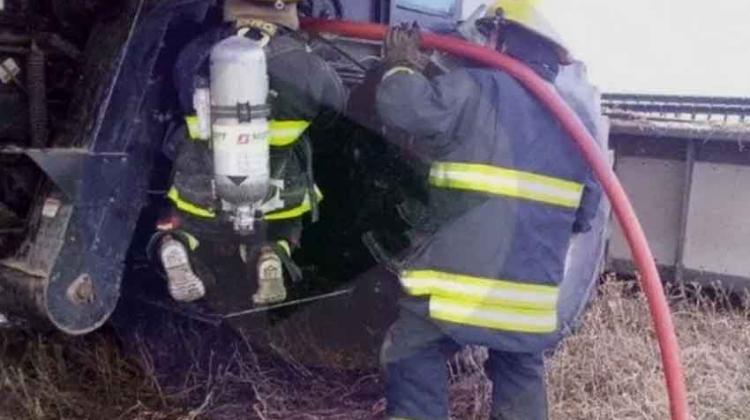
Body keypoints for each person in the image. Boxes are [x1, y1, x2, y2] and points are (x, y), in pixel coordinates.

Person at [372, 1, 603, 419]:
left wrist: (401, 67)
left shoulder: (473, 88)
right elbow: (585, 216)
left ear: (503, 37)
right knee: (520, 369)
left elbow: (404, 108)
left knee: (413, 349)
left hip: (456, 294)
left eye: (488, 34)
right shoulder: (577, 123)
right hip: (527, 304)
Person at [151, 0, 346, 304]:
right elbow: (334, 113)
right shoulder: (309, 66)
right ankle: (271, 254)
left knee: (185, 221)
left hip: (202, 193)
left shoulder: (195, 52)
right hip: (275, 196)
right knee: (283, 229)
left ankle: (176, 242)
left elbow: (175, 97)